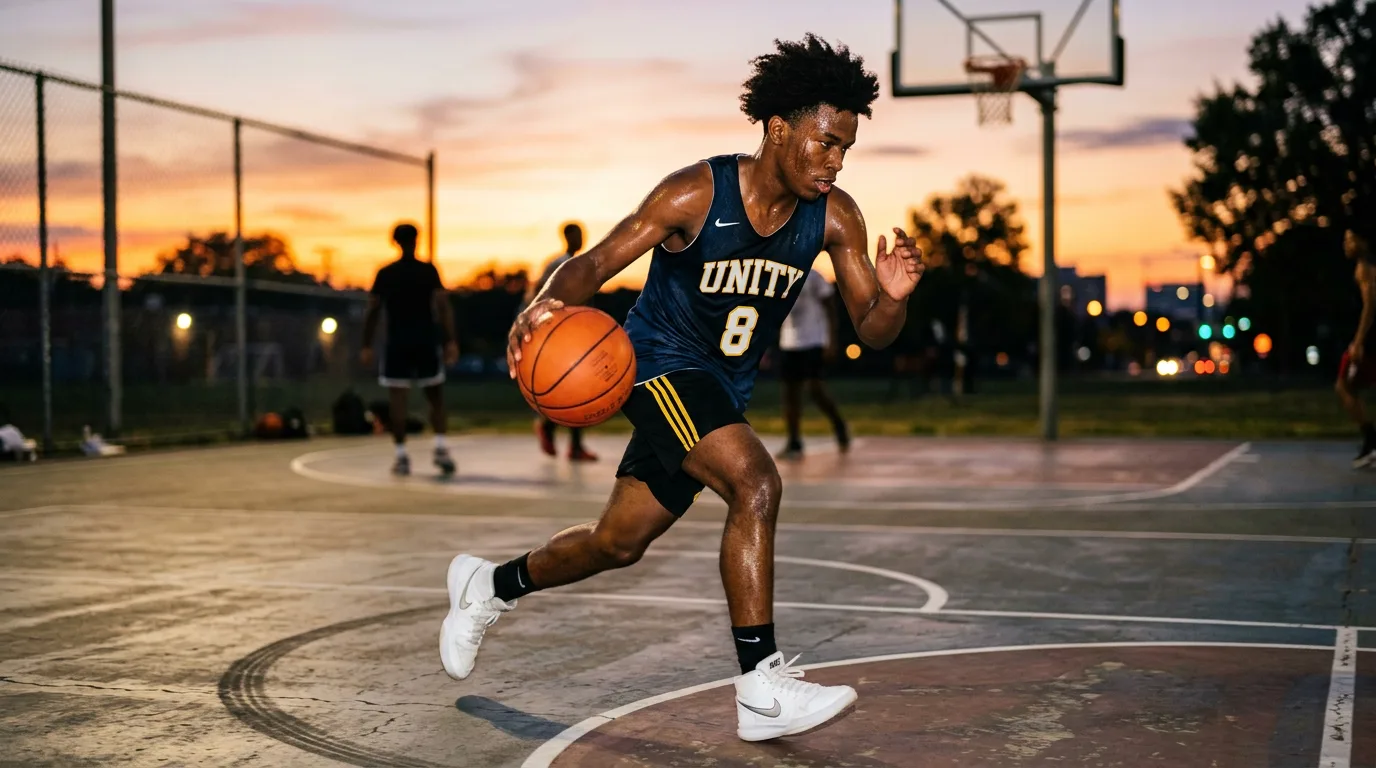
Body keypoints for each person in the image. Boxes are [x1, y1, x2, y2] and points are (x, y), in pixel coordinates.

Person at [439, 34, 924, 742]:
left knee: (617, 543)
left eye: (846, 148)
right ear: (779, 127)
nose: (835, 161)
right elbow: (595, 263)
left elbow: (873, 330)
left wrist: (898, 296)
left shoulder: (836, 217)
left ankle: (489, 587)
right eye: (825, 142)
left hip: (720, 392)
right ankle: (760, 687)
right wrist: (542, 303)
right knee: (756, 483)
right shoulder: (697, 192)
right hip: (655, 365)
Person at [361, 223, 459, 477]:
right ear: (416, 240)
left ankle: (402, 455)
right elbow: (443, 307)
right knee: (434, 397)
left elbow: (373, 310)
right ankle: (440, 448)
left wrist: (366, 344)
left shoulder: (386, 273)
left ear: (395, 241)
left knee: (399, 400)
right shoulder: (427, 271)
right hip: (425, 340)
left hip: (398, 342)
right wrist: (450, 340)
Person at [523, 222, 599, 462]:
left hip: (576, 335)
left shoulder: (580, 263)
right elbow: (539, 297)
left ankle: (569, 442)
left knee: (580, 391)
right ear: (567, 237)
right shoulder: (560, 264)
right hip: (560, 336)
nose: (580, 239)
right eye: (576, 235)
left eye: (582, 235)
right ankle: (549, 427)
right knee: (571, 390)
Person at [775, 268, 850, 460]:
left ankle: (839, 424)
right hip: (789, 341)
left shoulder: (813, 276)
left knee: (814, 389)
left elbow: (830, 308)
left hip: (813, 339)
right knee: (790, 393)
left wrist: (831, 340)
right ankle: (794, 441)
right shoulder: (778, 274)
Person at [1336, 228, 1376, 467]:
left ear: (1363, 241)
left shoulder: (1365, 268)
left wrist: (1359, 341)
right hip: (1368, 338)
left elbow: (1371, 306)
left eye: (1350, 239)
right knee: (1350, 387)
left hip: (1369, 340)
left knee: (1344, 386)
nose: (1346, 244)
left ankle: (1371, 442)